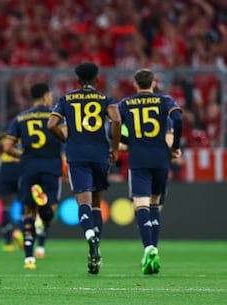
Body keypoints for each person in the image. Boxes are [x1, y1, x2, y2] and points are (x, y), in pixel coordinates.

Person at [47, 62, 121, 275]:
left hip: (77, 155)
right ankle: (95, 250)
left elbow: (51, 124)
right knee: (96, 202)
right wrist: (115, 148)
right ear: (97, 80)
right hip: (100, 154)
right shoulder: (105, 99)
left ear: (77, 81)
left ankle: (90, 235)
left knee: (83, 200)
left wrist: (65, 138)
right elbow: (116, 120)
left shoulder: (66, 99)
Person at [117, 68, 182, 275]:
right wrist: (175, 146)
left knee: (141, 204)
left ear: (135, 85)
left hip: (138, 159)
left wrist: (128, 142)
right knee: (156, 203)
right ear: (154, 83)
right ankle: (154, 248)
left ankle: (148, 248)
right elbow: (178, 120)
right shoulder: (165, 101)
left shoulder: (125, 103)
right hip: (160, 159)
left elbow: (113, 126)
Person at [3, 83, 63, 270]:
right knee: (49, 213)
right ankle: (44, 206)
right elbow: (66, 136)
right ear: (45, 97)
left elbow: (6, 148)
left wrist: (24, 154)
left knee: (28, 212)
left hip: (29, 167)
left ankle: (29, 258)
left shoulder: (21, 118)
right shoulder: (56, 116)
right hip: (51, 165)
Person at [0, 113, 24, 252]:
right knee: (24, 203)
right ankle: (20, 230)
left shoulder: (1, 131)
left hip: (6, 170)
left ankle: (8, 242)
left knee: (5, 206)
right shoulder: (23, 126)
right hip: (21, 168)